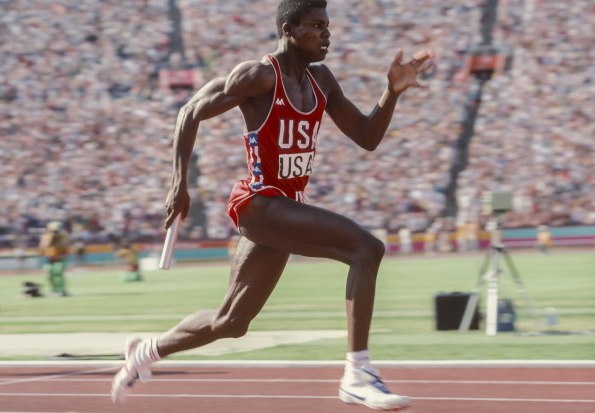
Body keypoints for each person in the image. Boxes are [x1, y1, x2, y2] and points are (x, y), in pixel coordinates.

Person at [111, 1, 434, 410]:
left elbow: (367, 137)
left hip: (284, 209)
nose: (327, 34)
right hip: (260, 204)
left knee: (231, 322)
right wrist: (180, 183)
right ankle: (358, 373)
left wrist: (391, 91)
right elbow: (189, 111)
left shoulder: (322, 81)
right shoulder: (259, 76)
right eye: (316, 26)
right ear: (288, 30)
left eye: (328, 26)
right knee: (366, 248)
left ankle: (146, 350)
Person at [38, 221, 70, 297]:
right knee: (49, 275)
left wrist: (62, 255)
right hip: (49, 258)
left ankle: (61, 290)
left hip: (59, 257)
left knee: (58, 274)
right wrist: (50, 238)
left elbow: (65, 247)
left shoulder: (63, 236)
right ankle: (54, 290)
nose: (56, 232)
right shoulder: (46, 237)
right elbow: (43, 246)